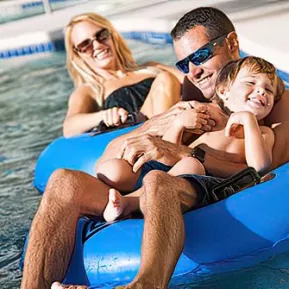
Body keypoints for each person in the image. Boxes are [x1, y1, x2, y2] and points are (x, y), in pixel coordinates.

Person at [21, 7, 289, 289]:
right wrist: (161, 126)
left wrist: (185, 154)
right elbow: (115, 151)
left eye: (200, 56)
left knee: (158, 181)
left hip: (201, 188)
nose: (194, 72)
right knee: (64, 181)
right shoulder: (196, 90)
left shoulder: (275, 98)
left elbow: (265, 170)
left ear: (232, 43)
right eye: (184, 65)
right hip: (152, 188)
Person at [99, 56, 285, 222]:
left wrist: (248, 119)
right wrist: (179, 124)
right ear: (223, 92)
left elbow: (258, 167)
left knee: (191, 164)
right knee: (114, 169)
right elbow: (167, 149)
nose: (261, 91)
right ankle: (121, 198)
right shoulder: (208, 113)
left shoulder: (263, 133)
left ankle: (130, 203)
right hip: (168, 166)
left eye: (268, 90)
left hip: (198, 180)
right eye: (251, 83)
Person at [63, 12, 182, 137]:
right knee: (165, 79)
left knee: (165, 77)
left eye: (102, 35)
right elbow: (70, 127)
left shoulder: (151, 68)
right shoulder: (91, 90)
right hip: (141, 138)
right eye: (85, 45)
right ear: (77, 55)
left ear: (112, 36)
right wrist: (104, 115)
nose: (97, 45)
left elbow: (193, 80)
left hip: (175, 128)